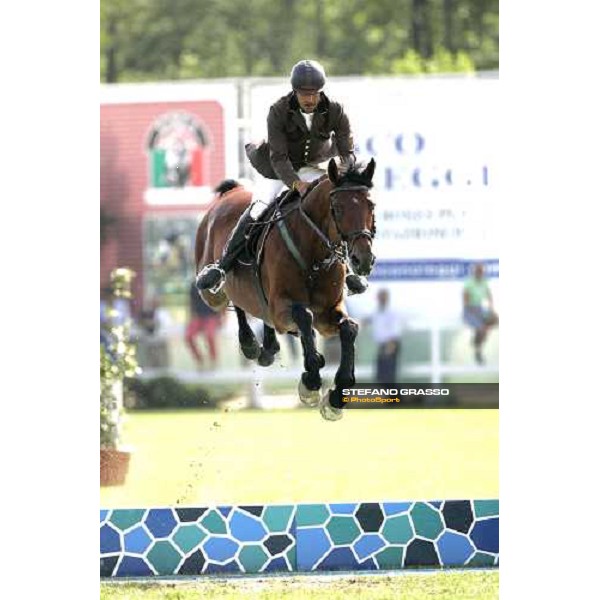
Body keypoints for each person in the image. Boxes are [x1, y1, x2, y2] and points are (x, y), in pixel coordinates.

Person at [196, 59, 368, 296]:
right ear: (294, 92)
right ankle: (222, 267)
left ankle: (348, 270)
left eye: (314, 94)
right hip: (277, 169)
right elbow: (278, 158)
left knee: (334, 206)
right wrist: (296, 184)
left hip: (311, 166)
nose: (309, 99)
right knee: (258, 209)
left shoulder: (336, 110)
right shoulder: (278, 110)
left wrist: (342, 174)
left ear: (321, 92)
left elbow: (347, 152)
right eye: (303, 94)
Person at [463, 263, 499, 364]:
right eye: (478, 271)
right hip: (470, 310)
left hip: (481, 309)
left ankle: (476, 340)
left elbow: (489, 295)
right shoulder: (468, 283)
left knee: (496, 320)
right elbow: (466, 302)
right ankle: (478, 352)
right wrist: (475, 312)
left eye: (481, 271)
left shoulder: (484, 282)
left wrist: (491, 309)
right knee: (481, 328)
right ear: (474, 272)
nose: (480, 273)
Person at [185, 282, 223, 368]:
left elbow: (221, 301)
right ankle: (199, 360)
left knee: (209, 335)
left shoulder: (214, 282)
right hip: (197, 316)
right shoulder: (194, 284)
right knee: (188, 336)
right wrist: (189, 318)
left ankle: (213, 360)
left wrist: (221, 318)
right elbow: (191, 302)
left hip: (212, 316)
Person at [371, 288, 403, 384]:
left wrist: (391, 345)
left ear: (386, 298)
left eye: (382, 297)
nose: (380, 299)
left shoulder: (391, 311)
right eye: (379, 297)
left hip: (390, 344)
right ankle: (390, 397)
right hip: (383, 345)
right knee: (381, 376)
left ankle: (395, 398)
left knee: (388, 377)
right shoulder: (378, 311)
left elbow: (395, 329)